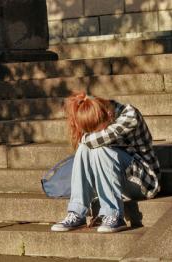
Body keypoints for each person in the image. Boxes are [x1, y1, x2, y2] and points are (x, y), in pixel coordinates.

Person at [51, 91, 161, 233]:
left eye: (98, 129)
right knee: (86, 148)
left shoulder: (129, 115)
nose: (95, 132)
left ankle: (113, 215)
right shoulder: (99, 114)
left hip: (144, 181)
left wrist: (85, 138)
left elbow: (93, 140)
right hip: (118, 182)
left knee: (98, 148)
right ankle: (77, 212)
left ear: (108, 114)